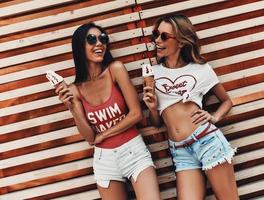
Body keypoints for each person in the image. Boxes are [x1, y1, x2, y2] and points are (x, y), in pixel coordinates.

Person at [56, 23, 161, 200]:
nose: (99, 43)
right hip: (105, 161)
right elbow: (90, 138)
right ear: (79, 47)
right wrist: (72, 108)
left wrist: (104, 135)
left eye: (102, 39)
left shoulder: (115, 69)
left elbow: (136, 114)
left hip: (133, 152)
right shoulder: (75, 89)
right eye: (91, 39)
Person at [143, 14, 239, 200]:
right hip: (180, 151)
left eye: (164, 36)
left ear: (180, 42)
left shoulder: (200, 69)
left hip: (207, 142)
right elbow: (156, 123)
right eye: (155, 34)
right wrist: (153, 107)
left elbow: (226, 101)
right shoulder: (153, 73)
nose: (157, 41)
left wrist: (214, 117)